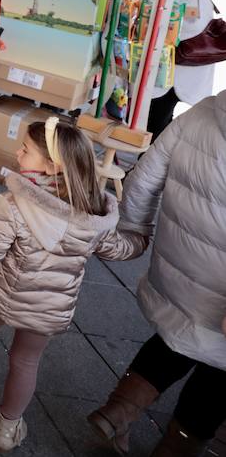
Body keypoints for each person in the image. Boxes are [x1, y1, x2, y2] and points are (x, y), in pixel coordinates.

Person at [0, 117, 136, 453]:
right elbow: (117, 249)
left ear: (52, 166)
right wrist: (141, 242)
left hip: (1, 291)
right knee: (26, 362)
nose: (17, 153)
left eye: (25, 150)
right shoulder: (93, 216)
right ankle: (7, 430)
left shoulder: (12, 203)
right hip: (49, 306)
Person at [87, 90, 226, 457]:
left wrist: (133, 229)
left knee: (175, 335)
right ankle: (176, 449)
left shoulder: (205, 111)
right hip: (221, 292)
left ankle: (118, 411)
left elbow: (146, 176)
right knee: (219, 371)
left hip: (179, 266)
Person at [140, 0, 215, 138]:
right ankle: (148, 164)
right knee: (158, 121)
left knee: (154, 124)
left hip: (176, 69)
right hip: (173, 67)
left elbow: (189, 27)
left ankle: (146, 166)